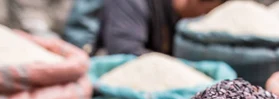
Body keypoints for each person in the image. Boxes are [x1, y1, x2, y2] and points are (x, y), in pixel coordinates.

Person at [63, 0, 226, 56]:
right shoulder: (132, 4)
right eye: (207, 12)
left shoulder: (180, 16)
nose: (206, 18)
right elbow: (124, 51)